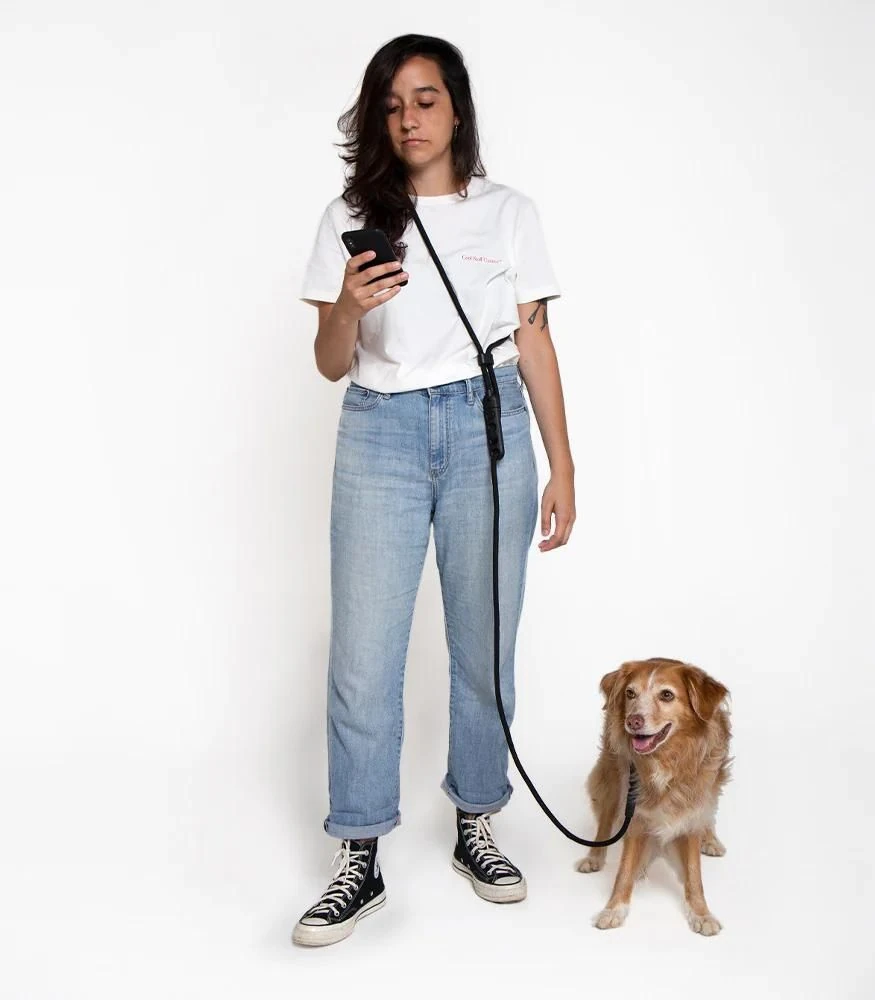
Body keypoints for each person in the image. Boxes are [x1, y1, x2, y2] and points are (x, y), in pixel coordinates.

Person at [292, 33, 575, 947]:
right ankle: (360, 852)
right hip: (380, 427)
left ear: (457, 107)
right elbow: (332, 365)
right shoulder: (349, 214)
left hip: (487, 428)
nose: (409, 117)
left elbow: (532, 341)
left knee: (484, 647)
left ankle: (477, 822)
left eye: (425, 98)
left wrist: (563, 465)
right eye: (392, 104)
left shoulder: (509, 213)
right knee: (364, 656)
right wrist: (347, 307)